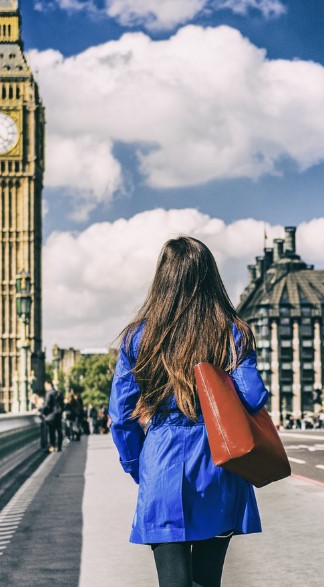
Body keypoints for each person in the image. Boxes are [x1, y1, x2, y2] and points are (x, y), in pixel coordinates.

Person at [109, 236, 268, 587]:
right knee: (208, 582)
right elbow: (254, 397)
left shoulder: (138, 337)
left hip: (162, 462)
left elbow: (121, 417)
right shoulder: (231, 333)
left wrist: (138, 466)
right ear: (209, 277)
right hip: (218, 465)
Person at [41, 378, 65, 451]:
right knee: (59, 431)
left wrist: (43, 412)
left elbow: (46, 405)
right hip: (58, 415)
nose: (45, 387)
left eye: (45, 385)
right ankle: (60, 447)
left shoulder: (49, 393)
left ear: (49, 384)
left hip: (51, 416)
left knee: (51, 432)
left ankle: (52, 446)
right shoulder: (58, 393)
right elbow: (63, 405)